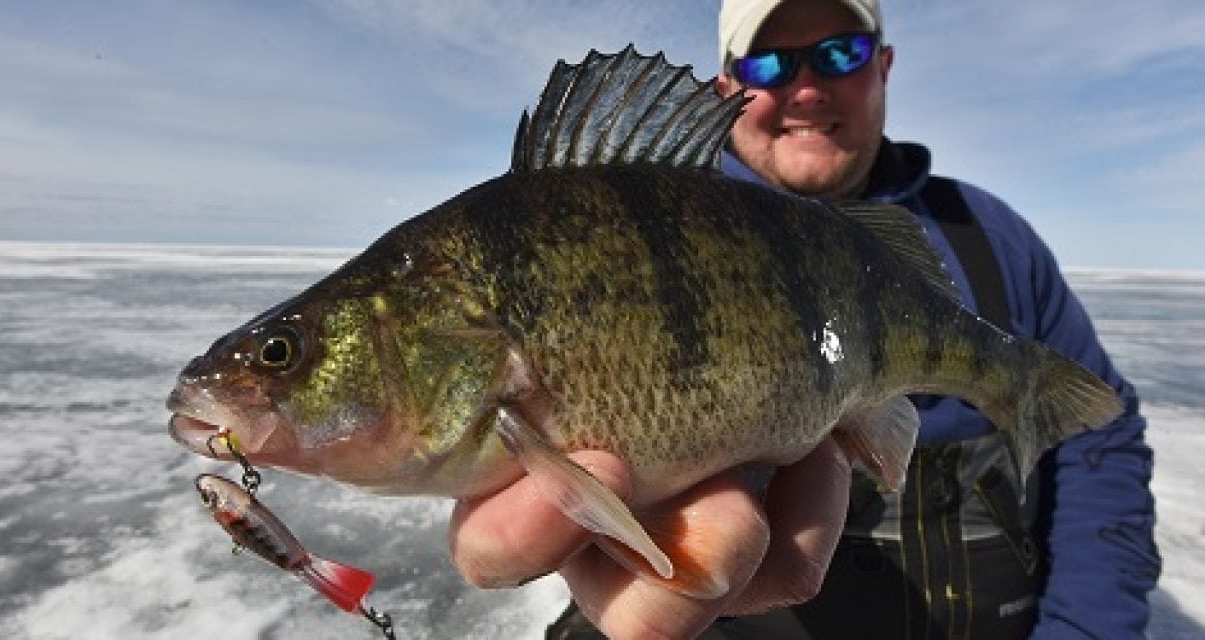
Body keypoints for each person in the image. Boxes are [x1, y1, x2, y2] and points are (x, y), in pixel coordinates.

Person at [449, 0, 1161, 638]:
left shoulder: (990, 240)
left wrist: (1084, 628)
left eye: (839, 54)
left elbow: (1099, 444)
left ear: (883, 65)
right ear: (728, 85)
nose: (808, 87)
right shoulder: (628, 219)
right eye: (770, 62)